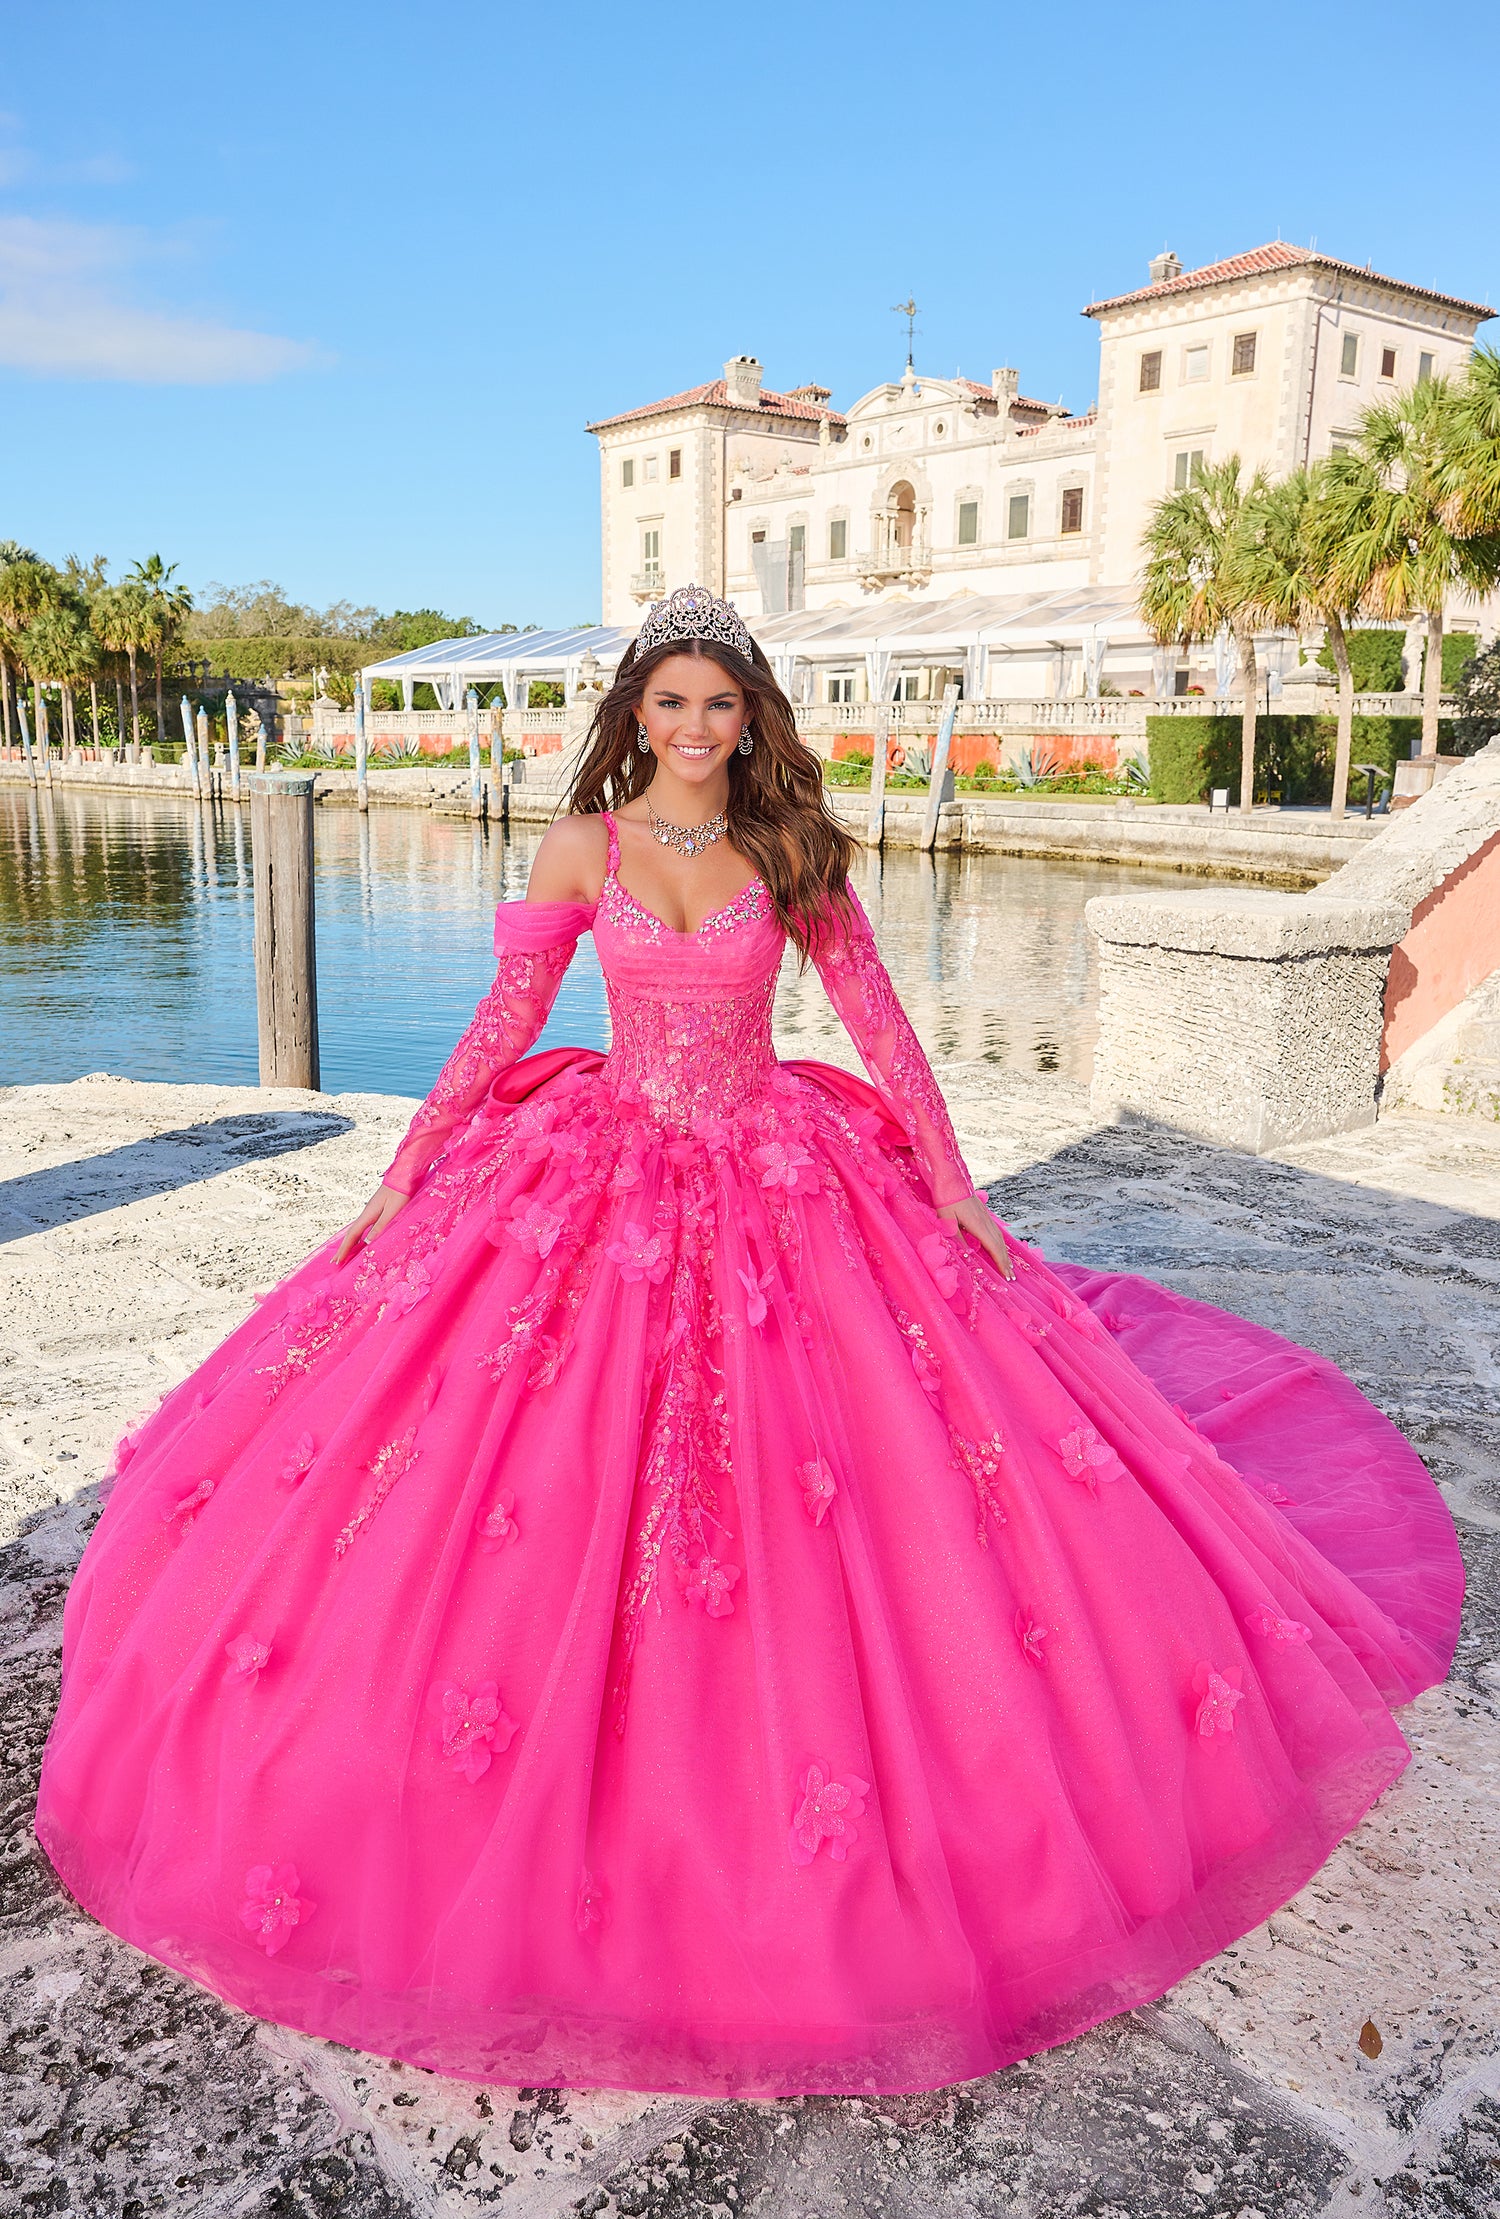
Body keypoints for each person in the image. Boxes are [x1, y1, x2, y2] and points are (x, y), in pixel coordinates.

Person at [37, 587, 1461, 2099]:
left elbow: (878, 1017)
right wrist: (408, 1171)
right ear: (636, 715)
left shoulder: (792, 849)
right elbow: (506, 1021)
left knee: (839, 1464)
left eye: (720, 704)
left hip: (771, 1162)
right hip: (606, 1161)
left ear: (750, 715)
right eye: (671, 703)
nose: (696, 728)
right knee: (528, 1460)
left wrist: (953, 1181)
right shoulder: (583, 844)